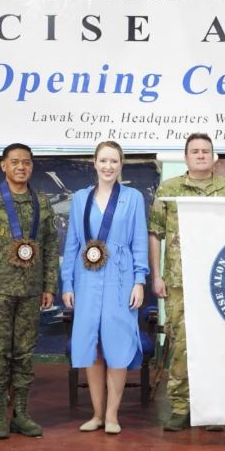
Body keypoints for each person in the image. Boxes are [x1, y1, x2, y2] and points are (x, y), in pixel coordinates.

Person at [149, 132, 225, 432]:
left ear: (214, 156)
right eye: (195, 151)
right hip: (180, 282)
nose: (201, 155)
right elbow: (155, 233)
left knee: (218, 342)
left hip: (221, 281)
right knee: (181, 344)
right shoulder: (169, 189)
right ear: (186, 157)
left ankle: (213, 407)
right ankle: (180, 406)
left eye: (206, 150)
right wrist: (156, 275)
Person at [0, 143, 59, 439]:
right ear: (3, 165)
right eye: (15, 162)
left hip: (31, 292)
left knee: (24, 354)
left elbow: (51, 247)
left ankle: (20, 413)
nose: (21, 167)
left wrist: (48, 286)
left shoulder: (42, 202)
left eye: (26, 162)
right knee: (0, 353)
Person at [61, 141, 149, 435]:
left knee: (117, 343)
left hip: (120, 278)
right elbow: (72, 242)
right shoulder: (80, 199)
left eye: (114, 161)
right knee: (91, 346)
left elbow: (139, 240)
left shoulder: (133, 197)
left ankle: (112, 415)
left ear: (121, 164)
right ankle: (97, 414)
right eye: (103, 161)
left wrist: (139, 280)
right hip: (86, 278)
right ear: (94, 163)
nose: (108, 166)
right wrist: (67, 282)